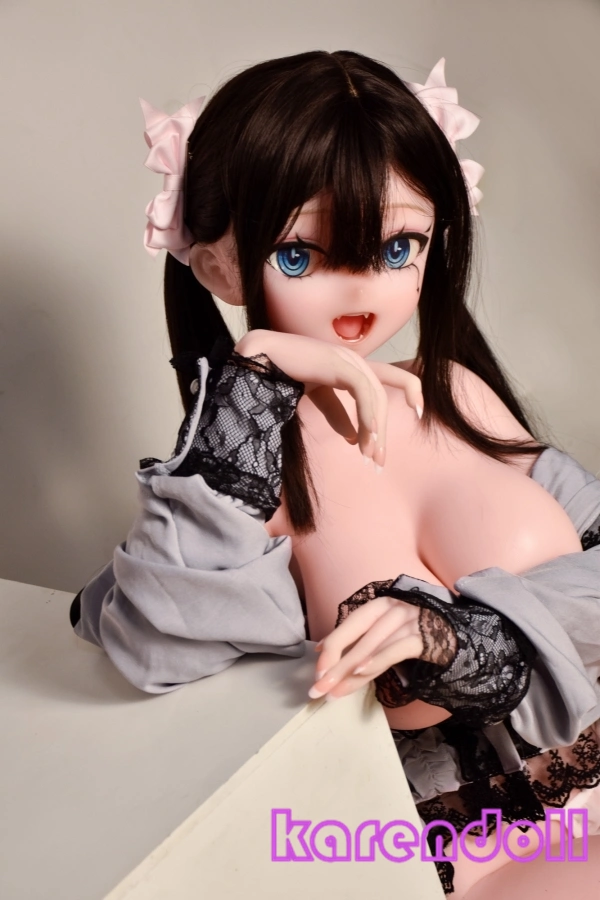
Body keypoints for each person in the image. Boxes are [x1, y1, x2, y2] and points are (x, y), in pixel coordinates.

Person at [70, 51, 600, 897]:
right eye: (300, 256)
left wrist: (457, 636)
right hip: (420, 843)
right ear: (217, 262)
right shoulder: (240, 473)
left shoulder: (455, 392)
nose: (361, 293)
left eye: (397, 247)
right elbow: (155, 645)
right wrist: (255, 378)